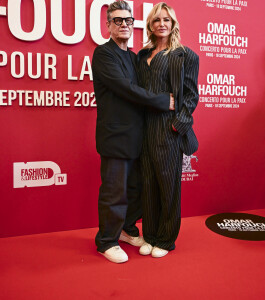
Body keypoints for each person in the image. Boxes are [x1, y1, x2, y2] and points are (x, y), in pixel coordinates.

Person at [92, 0, 175, 263]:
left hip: (140, 137)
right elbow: (126, 89)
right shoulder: (103, 54)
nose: (125, 25)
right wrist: (164, 100)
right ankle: (106, 241)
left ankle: (127, 230)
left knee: (136, 190)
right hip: (115, 137)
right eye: (118, 20)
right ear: (108, 25)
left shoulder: (133, 56)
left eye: (128, 21)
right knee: (114, 192)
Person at [137, 2, 199, 258]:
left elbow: (191, 96)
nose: (161, 23)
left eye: (166, 19)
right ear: (150, 25)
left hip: (168, 128)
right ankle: (150, 235)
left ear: (173, 24)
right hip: (143, 127)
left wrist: (178, 125)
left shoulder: (185, 55)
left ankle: (165, 238)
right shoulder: (142, 55)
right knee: (148, 183)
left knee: (168, 185)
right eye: (156, 20)